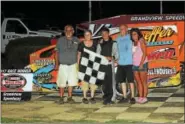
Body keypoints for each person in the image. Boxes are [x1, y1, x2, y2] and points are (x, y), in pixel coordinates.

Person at [55, 25, 80, 104]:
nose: (68, 32)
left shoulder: (77, 40)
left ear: (73, 31)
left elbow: (79, 53)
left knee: (71, 82)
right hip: (63, 65)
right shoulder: (60, 40)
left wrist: (78, 64)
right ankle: (61, 98)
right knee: (61, 82)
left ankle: (70, 97)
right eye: (66, 30)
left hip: (73, 65)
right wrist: (56, 64)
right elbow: (56, 53)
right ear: (64, 31)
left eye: (70, 30)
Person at [96, 27, 119, 105]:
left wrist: (112, 58)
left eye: (105, 33)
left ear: (108, 34)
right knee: (104, 83)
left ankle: (112, 98)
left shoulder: (113, 42)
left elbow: (117, 55)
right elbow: (97, 55)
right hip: (102, 65)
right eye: (102, 34)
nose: (104, 35)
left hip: (110, 65)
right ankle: (106, 97)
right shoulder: (100, 43)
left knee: (111, 82)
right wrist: (104, 58)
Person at [116, 24, 136, 104]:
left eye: (123, 29)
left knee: (131, 81)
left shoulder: (130, 38)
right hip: (120, 64)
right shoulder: (118, 39)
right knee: (122, 81)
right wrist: (116, 59)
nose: (122, 30)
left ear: (127, 29)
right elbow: (115, 50)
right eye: (120, 29)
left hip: (129, 63)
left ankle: (132, 97)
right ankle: (124, 97)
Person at [77, 30, 98, 104]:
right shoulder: (81, 44)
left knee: (93, 81)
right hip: (83, 66)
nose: (87, 36)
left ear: (91, 35)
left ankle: (92, 97)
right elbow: (79, 55)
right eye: (85, 35)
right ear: (84, 36)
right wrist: (78, 65)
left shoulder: (95, 43)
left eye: (88, 35)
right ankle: (85, 97)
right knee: (84, 82)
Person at [130, 28, 148, 104]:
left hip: (142, 64)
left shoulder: (141, 41)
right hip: (134, 64)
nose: (133, 36)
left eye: (135, 34)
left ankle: (144, 97)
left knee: (143, 81)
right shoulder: (133, 43)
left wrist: (141, 64)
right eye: (132, 35)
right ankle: (140, 97)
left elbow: (144, 54)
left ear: (138, 34)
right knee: (138, 82)